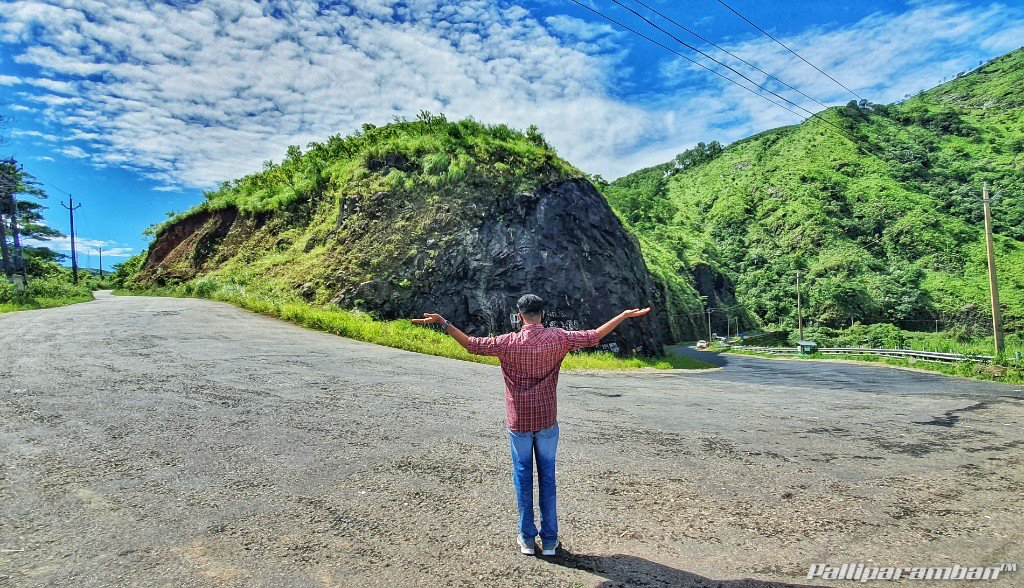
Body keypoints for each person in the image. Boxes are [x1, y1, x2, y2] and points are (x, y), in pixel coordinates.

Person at [412, 294, 651, 556]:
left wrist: (443, 322)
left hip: (519, 422)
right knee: (547, 479)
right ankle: (550, 541)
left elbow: (470, 344)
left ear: (520, 315)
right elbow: (594, 335)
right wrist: (624, 315)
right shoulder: (559, 338)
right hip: (547, 420)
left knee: (522, 477)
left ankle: (527, 538)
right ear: (543, 314)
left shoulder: (507, 343)